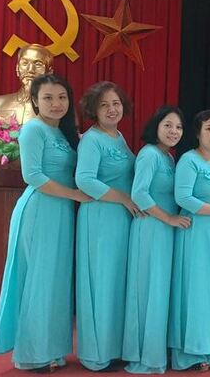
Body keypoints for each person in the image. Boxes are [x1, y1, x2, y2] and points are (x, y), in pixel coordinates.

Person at [0, 74, 89, 372]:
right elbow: (32, 176)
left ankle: (52, 350)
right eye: (48, 98)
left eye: (61, 97)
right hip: (39, 210)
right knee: (38, 279)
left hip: (61, 213)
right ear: (35, 101)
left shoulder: (63, 132)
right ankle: (32, 354)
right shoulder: (33, 129)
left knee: (56, 282)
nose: (56, 103)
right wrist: (75, 194)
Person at [75, 81, 138, 371]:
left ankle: (114, 347)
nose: (112, 109)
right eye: (104, 105)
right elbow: (84, 180)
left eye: (116, 103)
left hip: (121, 219)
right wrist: (123, 197)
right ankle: (97, 354)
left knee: (116, 282)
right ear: (93, 110)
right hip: (100, 218)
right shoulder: (92, 139)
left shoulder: (118, 136)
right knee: (100, 281)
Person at [122, 106, 190, 374]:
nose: (174, 131)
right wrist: (168, 218)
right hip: (151, 228)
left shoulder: (169, 157)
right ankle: (144, 357)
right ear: (156, 127)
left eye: (178, 127)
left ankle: (155, 353)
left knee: (159, 292)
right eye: (168, 125)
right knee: (147, 291)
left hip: (164, 230)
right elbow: (139, 194)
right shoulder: (149, 154)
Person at [169, 110, 210, 371]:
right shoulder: (189, 160)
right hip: (196, 230)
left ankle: (208, 348)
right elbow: (183, 198)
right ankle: (189, 354)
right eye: (209, 129)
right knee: (195, 289)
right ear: (197, 133)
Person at [0, 44, 54, 124]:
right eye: (25, 63)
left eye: (38, 64)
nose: (30, 70)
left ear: (49, 73)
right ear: (17, 69)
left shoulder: (56, 107)